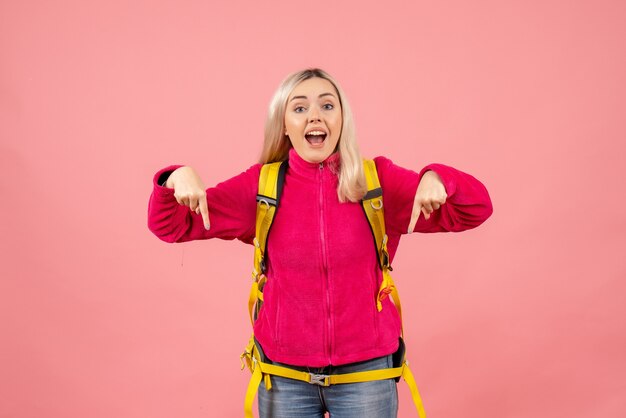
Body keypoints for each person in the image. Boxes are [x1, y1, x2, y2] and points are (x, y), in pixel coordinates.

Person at [147, 68, 493, 418]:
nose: (314, 115)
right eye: (299, 108)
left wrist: (438, 177)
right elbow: (169, 225)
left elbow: (475, 209)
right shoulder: (261, 187)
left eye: (327, 105)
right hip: (283, 377)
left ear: (342, 119)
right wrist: (174, 177)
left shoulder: (377, 182)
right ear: (283, 124)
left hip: (367, 375)